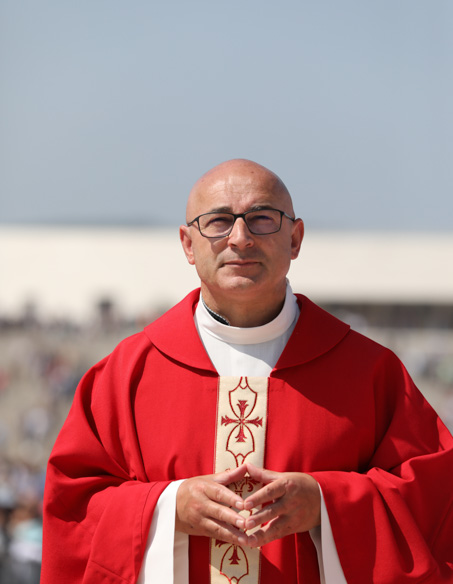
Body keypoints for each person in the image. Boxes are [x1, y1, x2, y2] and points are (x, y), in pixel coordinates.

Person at [40, 159, 453, 584]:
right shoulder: (126, 374)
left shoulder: (368, 371)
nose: (240, 238)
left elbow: (433, 503)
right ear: (188, 244)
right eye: (218, 221)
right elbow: (74, 510)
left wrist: (324, 505)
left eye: (262, 218)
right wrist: (169, 506)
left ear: (295, 239)